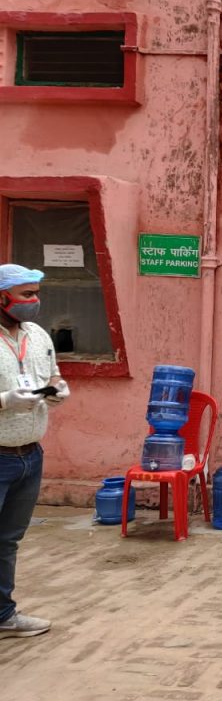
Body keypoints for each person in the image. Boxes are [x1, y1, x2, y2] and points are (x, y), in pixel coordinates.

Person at [0, 264, 70, 639]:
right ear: (2, 298)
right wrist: (4, 401)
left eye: (36, 293)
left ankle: (3, 615)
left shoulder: (38, 334)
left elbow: (52, 374)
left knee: (8, 540)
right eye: (26, 295)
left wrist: (57, 390)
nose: (34, 301)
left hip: (29, 456)